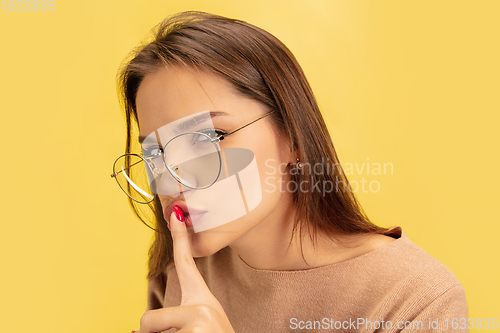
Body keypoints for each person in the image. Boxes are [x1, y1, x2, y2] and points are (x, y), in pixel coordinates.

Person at [112, 11, 468, 333]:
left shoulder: (416, 300)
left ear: (294, 138)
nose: (172, 182)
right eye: (156, 152)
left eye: (210, 138)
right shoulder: (181, 277)